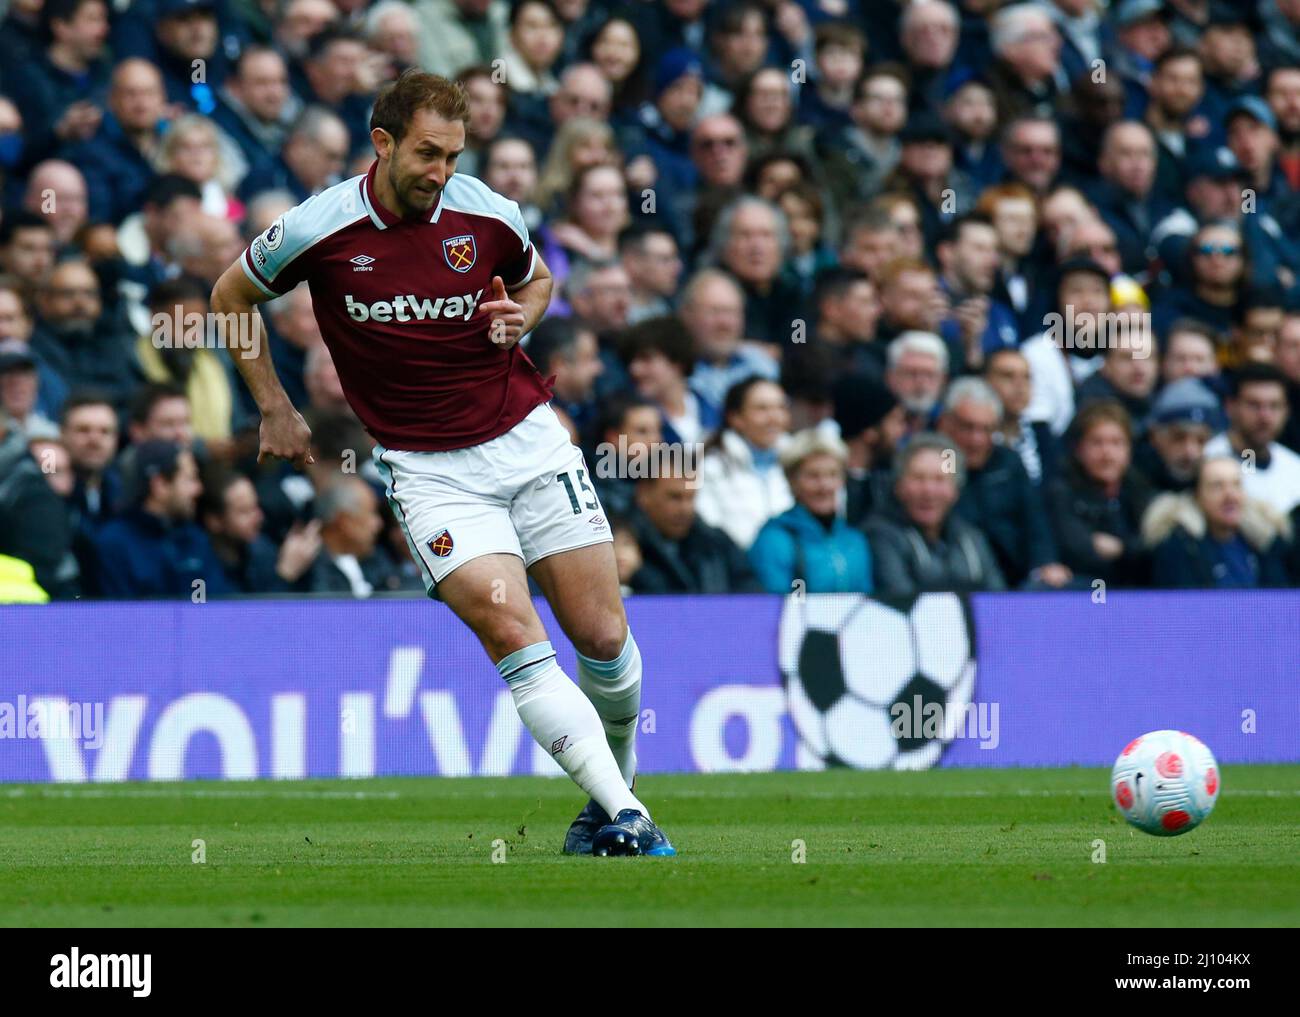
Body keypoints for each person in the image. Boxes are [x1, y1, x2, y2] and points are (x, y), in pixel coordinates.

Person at [209, 70, 673, 857]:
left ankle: (612, 796)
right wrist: (275, 405)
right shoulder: (319, 227)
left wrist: (513, 322)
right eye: (428, 153)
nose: (441, 171)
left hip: (527, 441)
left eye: (454, 154)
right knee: (510, 630)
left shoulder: (484, 212)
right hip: (431, 472)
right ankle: (630, 819)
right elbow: (229, 295)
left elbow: (537, 282)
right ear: (383, 143)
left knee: (602, 637)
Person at [865, 432, 1006, 598]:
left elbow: (998, 601)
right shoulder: (879, 535)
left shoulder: (971, 538)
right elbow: (902, 601)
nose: (929, 491)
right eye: (918, 478)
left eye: (940, 479)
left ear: (956, 490)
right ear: (898, 486)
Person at [92, 439, 230, 598]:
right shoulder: (114, 545)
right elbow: (119, 617)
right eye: (190, 479)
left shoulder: (195, 538)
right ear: (160, 485)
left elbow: (219, 606)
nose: (198, 489)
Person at [1045, 399, 1155, 587]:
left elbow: (1154, 547)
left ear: (1129, 450)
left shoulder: (1141, 489)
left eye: (1116, 443)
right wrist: (1132, 551)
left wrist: (1121, 549)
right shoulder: (1061, 491)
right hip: (1085, 591)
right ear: (1079, 450)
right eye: (1097, 443)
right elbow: (1080, 550)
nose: (1107, 453)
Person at [749, 428, 872, 594]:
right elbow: (778, 607)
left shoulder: (854, 540)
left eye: (833, 474)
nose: (824, 486)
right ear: (792, 481)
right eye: (813, 476)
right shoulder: (774, 540)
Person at [1144, 456, 1292, 588]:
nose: (1230, 495)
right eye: (1217, 486)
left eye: (1236, 485)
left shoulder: (1265, 541)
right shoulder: (1179, 547)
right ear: (1197, 495)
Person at [693, 376, 792, 551]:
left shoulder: (798, 462)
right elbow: (710, 529)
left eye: (781, 408)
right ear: (735, 417)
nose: (774, 417)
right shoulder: (710, 467)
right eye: (762, 409)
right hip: (737, 570)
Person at [1204, 363, 1300, 515]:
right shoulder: (1206, 460)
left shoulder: (1295, 468)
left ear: (1286, 411)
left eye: (1274, 406)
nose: (1265, 417)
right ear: (1230, 407)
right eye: (1254, 405)